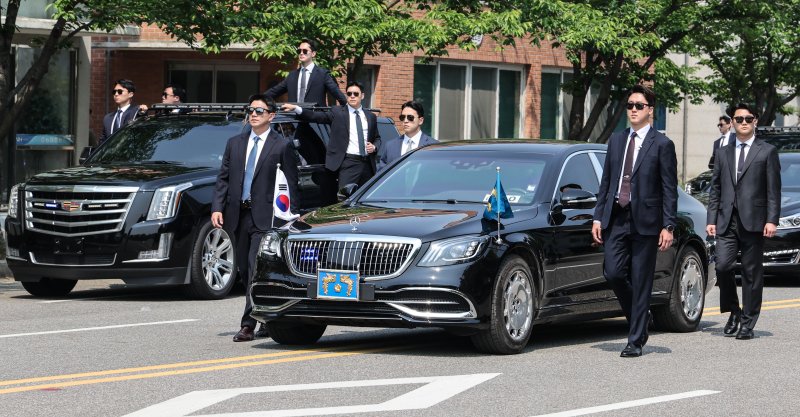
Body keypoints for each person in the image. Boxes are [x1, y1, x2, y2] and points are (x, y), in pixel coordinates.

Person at [591, 84, 678, 358]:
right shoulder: (617, 140)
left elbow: (669, 188)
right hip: (617, 216)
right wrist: (597, 216)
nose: (633, 110)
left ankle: (635, 339)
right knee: (613, 273)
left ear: (650, 111)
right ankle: (641, 316)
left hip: (648, 221)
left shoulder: (662, 144)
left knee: (642, 280)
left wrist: (668, 225)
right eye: (629, 105)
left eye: (638, 106)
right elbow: (606, 182)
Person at [211, 94, 300, 342]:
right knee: (241, 268)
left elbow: (291, 184)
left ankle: (248, 324)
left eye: (259, 111)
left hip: (266, 218)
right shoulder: (235, 143)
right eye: (250, 110)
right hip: (238, 214)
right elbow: (224, 178)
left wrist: (292, 216)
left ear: (271, 115)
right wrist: (217, 207)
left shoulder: (281, 145)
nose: (253, 114)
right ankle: (265, 315)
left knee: (253, 268)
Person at [706, 103, 780, 340]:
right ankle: (734, 311)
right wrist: (711, 218)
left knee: (751, 273)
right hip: (726, 220)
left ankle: (748, 322)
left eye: (749, 118)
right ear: (733, 122)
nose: (744, 122)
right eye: (739, 119)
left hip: (754, 221)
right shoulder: (722, 151)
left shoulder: (767, 151)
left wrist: (772, 219)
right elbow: (715, 187)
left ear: (755, 120)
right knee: (722, 267)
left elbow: (773, 190)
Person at [282, 81, 381, 204]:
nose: (352, 96)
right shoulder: (338, 113)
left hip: (367, 165)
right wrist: (296, 108)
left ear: (362, 96)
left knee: (367, 202)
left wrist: (374, 147)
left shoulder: (370, 116)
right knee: (345, 201)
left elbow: (377, 138)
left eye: (356, 93)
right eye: (349, 93)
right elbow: (315, 116)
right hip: (349, 163)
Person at [265, 39, 347, 106]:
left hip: (315, 121)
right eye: (299, 51)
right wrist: (257, 100)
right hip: (295, 121)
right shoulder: (292, 76)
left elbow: (337, 94)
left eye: (305, 51)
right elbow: (273, 92)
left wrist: (348, 111)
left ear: (313, 54)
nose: (301, 53)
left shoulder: (323, 74)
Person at [377, 100, 438, 171]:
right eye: (403, 117)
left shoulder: (433, 146)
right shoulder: (390, 146)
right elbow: (382, 173)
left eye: (410, 117)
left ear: (420, 120)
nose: (405, 121)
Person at [100, 79, 140, 145]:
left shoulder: (136, 113)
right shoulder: (107, 118)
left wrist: (141, 111)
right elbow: (102, 143)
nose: (116, 94)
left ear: (130, 94)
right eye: (114, 92)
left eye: (120, 91)